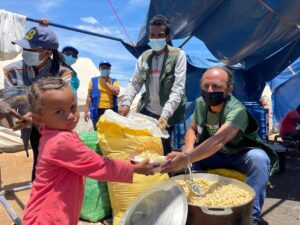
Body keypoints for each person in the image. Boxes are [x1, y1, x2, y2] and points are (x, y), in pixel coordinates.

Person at [22, 77, 155, 225]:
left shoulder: (50, 133)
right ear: (41, 119)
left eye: (72, 107)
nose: (71, 115)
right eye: (59, 112)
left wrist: (36, 117)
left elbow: (44, 119)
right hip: (49, 218)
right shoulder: (62, 141)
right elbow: (100, 166)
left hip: (44, 213)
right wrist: (134, 169)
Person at [162, 66, 279, 225]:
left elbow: (219, 140)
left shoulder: (237, 110)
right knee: (188, 163)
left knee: (259, 159)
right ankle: (188, 210)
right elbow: (192, 129)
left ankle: (251, 217)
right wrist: (188, 151)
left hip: (238, 154)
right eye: (205, 86)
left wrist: (187, 158)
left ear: (229, 89)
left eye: (216, 86)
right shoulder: (200, 104)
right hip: (215, 156)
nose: (210, 91)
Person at [3, 26, 73, 181]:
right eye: (24, 48)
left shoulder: (63, 74)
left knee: (56, 164)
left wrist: (34, 113)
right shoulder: (12, 71)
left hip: (57, 127)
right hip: (32, 129)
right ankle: (40, 197)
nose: (24, 52)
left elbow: (63, 104)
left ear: (47, 53)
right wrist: (3, 106)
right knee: (41, 164)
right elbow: (9, 100)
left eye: (30, 49)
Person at [118, 15, 186, 155]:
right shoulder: (144, 57)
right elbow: (135, 83)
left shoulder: (178, 55)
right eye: (152, 35)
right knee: (143, 149)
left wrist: (165, 115)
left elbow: (178, 89)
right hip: (147, 111)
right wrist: (126, 103)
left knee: (163, 150)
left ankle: (164, 175)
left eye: (160, 35)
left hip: (168, 114)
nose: (155, 39)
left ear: (168, 37)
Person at [84, 60, 120, 130]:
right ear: (99, 69)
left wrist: (107, 83)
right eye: (103, 68)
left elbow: (117, 92)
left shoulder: (114, 81)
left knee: (110, 130)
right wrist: (86, 111)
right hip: (97, 110)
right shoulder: (93, 80)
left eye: (107, 68)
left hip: (111, 110)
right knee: (97, 129)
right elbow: (89, 96)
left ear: (109, 70)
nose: (104, 70)